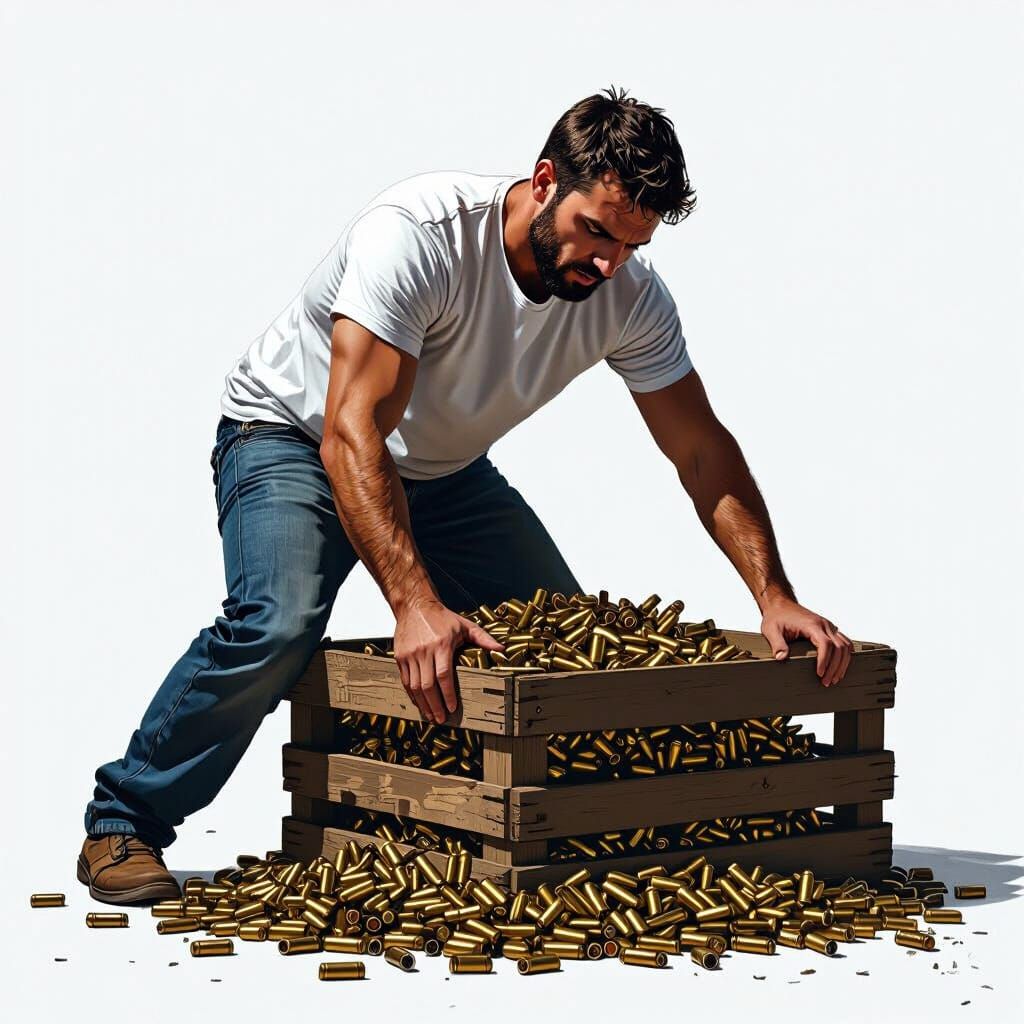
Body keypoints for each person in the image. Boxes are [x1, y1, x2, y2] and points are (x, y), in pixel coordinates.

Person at [78, 86, 853, 905]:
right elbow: (351, 431)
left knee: (558, 652)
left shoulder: (630, 298)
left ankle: (460, 829)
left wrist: (774, 595)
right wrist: (414, 602)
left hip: (442, 470)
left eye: (632, 245)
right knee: (280, 621)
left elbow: (700, 450)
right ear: (545, 181)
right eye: (597, 231)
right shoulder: (418, 236)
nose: (609, 264)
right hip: (295, 437)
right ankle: (123, 820)